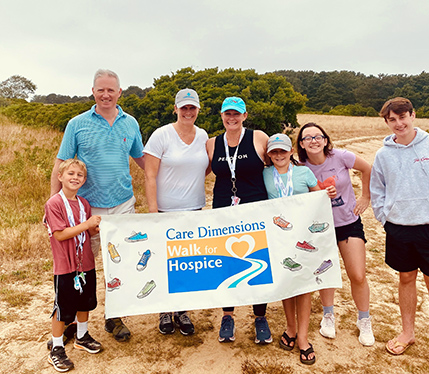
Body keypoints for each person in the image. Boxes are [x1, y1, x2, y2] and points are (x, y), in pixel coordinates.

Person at [370, 97, 429, 373]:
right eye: (392, 119)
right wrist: (384, 217)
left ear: (413, 115)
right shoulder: (383, 154)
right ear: (386, 122)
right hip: (398, 228)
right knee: (405, 278)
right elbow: (378, 189)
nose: (399, 123)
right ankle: (407, 333)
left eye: (403, 117)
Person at [50, 69, 145, 343]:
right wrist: (54, 205)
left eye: (110, 90)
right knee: (79, 266)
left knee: (119, 265)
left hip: (123, 206)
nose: (106, 94)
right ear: (93, 91)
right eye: (100, 89)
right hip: (87, 211)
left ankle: (113, 317)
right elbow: (61, 163)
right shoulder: (77, 124)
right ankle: (69, 321)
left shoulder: (131, 123)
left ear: (119, 93)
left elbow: (142, 160)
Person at [297, 122, 375, 346]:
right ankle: (328, 315)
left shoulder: (340, 156)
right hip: (320, 227)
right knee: (326, 272)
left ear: (325, 139)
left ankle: (364, 319)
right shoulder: (300, 167)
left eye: (317, 136)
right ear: (301, 144)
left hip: (348, 223)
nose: (313, 141)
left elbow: (367, 168)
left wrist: (365, 197)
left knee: (357, 274)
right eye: (307, 138)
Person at [263, 134, 335, 365]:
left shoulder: (304, 172)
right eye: (274, 152)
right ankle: (290, 328)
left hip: (305, 238)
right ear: (269, 155)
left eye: (282, 151)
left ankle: (303, 337)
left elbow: (318, 197)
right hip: (280, 237)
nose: (279, 156)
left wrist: (328, 194)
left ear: (290, 151)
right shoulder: (264, 174)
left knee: (304, 284)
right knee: (287, 283)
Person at [206, 96, 271, 344]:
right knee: (227, 262)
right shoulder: (211, 144)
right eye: (227, 114)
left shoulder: (258, 138)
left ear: (245, 116)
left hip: (255, 209)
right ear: (222, 116)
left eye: (237, 114)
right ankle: (227, 316)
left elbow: (278, 163)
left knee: (258, 261)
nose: (232, 118)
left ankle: (260, 317)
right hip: (223, 209)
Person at [144, 88, 209, 336]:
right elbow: (150, 175)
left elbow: (204, 168)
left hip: (193, 209)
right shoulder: (161, 135)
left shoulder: (203, 136)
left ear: (198, 110)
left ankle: (182, 310)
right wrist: (152, 211)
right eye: (184, 107)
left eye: (192, 107)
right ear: (175, 109)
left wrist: (188, 184)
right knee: (164, 261)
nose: (188, 112)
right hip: (164, 210)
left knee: (187, 262)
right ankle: (163, 310)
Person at [45, 159, 102, 372]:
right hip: (66, 265)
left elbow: (84, 231)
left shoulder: (84, 203)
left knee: (85, 302)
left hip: (85, 261)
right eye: (70, 173)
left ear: (84, 180)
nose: (75, 178)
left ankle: (81, 336)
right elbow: (60, 235)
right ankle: (57, 348)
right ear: (60, 176)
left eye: (79, 175)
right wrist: (85, 225)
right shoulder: (54, 203)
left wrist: (93, 230)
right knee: (63, 308)